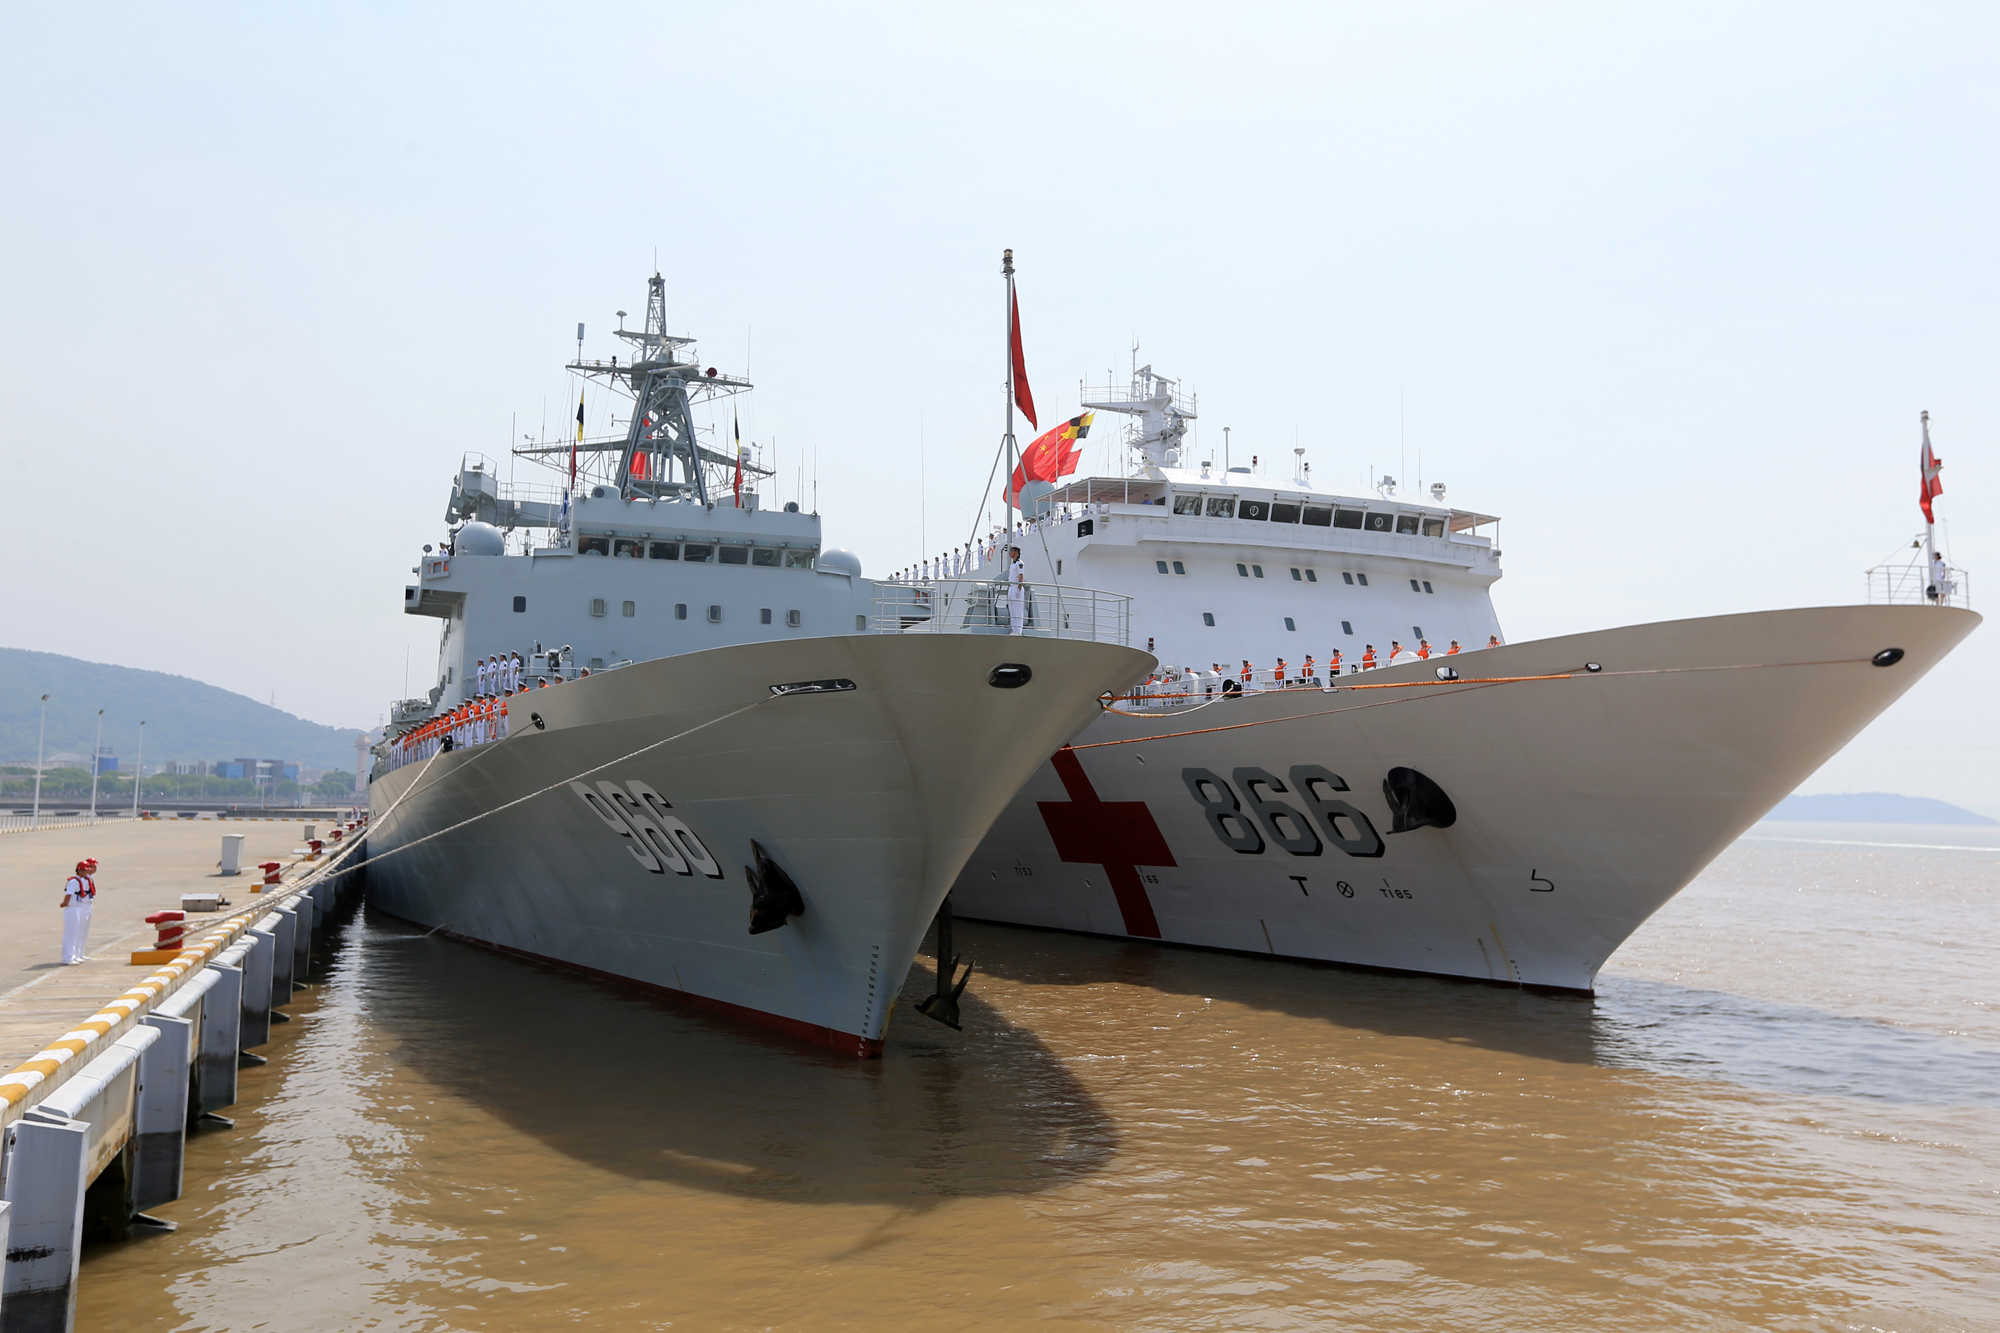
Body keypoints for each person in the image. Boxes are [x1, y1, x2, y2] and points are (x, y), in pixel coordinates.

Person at [61, 858, 97, 965]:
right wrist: (64, 903)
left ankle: (77, 954)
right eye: (86, 870)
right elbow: (68, 895)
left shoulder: (82, 880)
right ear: (80, 871)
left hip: (79, 906)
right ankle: (68, 957)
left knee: (79, 931)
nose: (88, 871)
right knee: (71, 933)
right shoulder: (74, 881)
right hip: (74, 908)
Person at [1007, 546, 1027, 634]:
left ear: (1016, 552)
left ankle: (1018, 630)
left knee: (1018, 609)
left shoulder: (1019, 563)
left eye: (1011, 551)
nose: (1010, 552)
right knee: (1012, 609)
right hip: (1011, 587)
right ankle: (1014, 629)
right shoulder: (1012, 564)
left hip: (1016, 588)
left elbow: (1021, 576)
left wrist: (1019, 588)